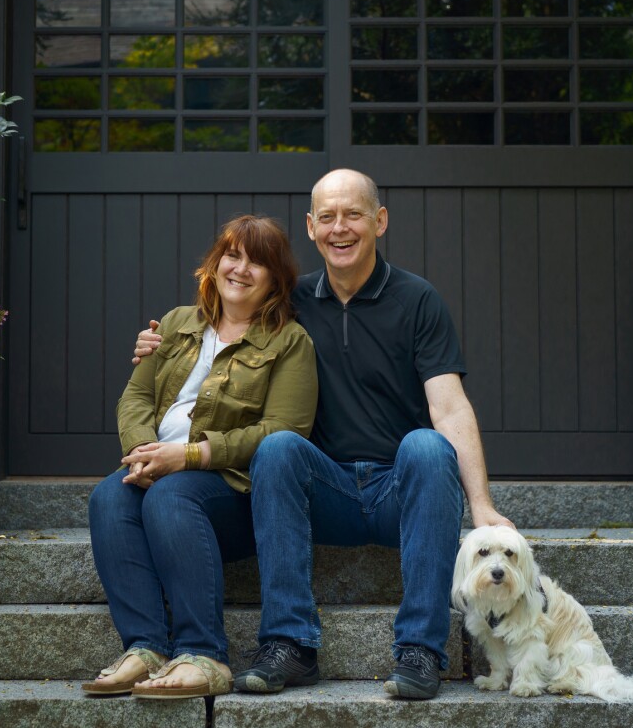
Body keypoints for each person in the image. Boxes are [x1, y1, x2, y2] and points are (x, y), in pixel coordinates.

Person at [134, 169, 513, 700]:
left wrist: (482, 506)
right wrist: (161, 346)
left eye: (353, 214)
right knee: (281, 446)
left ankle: (421, 650)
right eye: (328, 217)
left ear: (378, 221)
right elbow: (219, 323)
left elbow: (448, 406)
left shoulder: (418, 299)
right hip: (323, 487)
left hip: (398, 490)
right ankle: (289, 645)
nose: (341, 228)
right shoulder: (291, 302)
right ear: (311, 228)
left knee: (426, 444)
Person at [84, 214, 318, 700]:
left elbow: (282, 430)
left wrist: (187, 456)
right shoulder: (173, 324)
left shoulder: (289, 341)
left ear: (276, 280)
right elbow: (136, 399)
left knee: (171, 496)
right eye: (233, 255)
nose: (241, 269)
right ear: (214, 263)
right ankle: (146, 647)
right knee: (109, 496)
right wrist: (141, 453)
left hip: (229, 486)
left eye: (258, 262)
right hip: (159, 467)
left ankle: (204, 653)